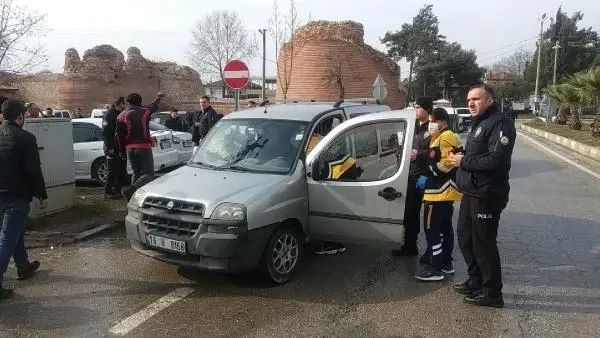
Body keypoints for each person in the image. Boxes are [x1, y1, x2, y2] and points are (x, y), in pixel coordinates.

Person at [448, 84, 516, 308]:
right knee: (466, 238)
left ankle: (492, 292)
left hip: (487, 194)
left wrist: (463, 162)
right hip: (471, 191)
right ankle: (475, 281)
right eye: (469, 99)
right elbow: (480, 153)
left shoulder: (500, 124)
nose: (470, 103)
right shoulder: (481, 122)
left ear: (490, 100)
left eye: (476, 99)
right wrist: (462, 155)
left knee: (484, 243)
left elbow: (496, 161)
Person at [0, 100, 47, 300]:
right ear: (21, 116)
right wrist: (42, 194)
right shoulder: (25, 138)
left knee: (15, 232)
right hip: (15, 195)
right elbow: (33, 170)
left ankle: (23, 266)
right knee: (7, 237)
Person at [413, 108, 463, 282]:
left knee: (431, 229)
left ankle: (435, 268)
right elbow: (434, 155)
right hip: (439, 192)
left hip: (439, 192)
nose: (431, 124)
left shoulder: (447, 136)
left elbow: (449, 161)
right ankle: (444, 262)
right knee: (443, 228)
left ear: (443, 122)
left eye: (434, 121)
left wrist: (429, 172)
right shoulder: (437, 137)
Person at [392, 97, 433, 257]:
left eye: (418, 107)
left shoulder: (433, 127)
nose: (415, 110)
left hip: (427, 176)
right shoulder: (411, 126)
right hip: (411, 176)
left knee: (430, 215)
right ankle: (410, 246)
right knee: (410, 212)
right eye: (414, 107)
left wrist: (420, 154)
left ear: (427, 109)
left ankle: (433, 252)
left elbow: (437, 152)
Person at [116, 92, 164, 200]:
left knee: (136, 173)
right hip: (143, 147)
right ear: (140, 102)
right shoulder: (145, 112)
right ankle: (132, 190)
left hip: (129, 148)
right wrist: (158, 97)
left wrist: (121, 151)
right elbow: (153, 106)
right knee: (149, 174)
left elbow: (118, 136)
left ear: (127, 102)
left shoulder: (121, 115)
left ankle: (133, 198)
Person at [102, 97, 127, 199]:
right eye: (124, 104)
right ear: (120, 104)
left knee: (121, 170)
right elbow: (106, 133)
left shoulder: (121, 114)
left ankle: (117, 190)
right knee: (112, 170)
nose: (126, 106)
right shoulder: (109, 114)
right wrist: (110, 147)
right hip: (112, 147)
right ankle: (108, 191)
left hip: (121, 146)